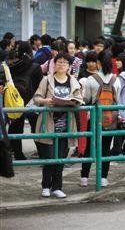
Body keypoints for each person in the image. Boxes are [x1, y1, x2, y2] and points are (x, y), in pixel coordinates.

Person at [33, 52, 84, 198]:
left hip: (66, 125)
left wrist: (74, 101)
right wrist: (47, 101)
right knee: (49, 158)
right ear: (54, 64)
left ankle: (57, 187)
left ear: (69, 66)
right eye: (59, 62)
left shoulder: (73, 81)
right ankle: (45, 186)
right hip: (48, 123)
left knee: (61, 157)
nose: (61, 65)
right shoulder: (46, 80)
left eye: (65, 63)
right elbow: (37, 98)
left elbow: (80, 98)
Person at [80, 51, 121, 187]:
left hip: (95, 118)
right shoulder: (116, 80)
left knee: (90, 148)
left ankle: (84, 177)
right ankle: (103, 177)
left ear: (98, 63)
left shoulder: (91, 80)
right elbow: (118, 100)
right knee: (106, 148)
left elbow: (86, 99)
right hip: (111, 119)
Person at [7, 42, 43, 160]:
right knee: (36, 128)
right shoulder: (35, 66)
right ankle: (42, 154)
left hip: (14, 102)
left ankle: (18, 154)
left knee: (15, 128)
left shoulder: (10, 67)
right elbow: (40, 85)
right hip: (32, 102)